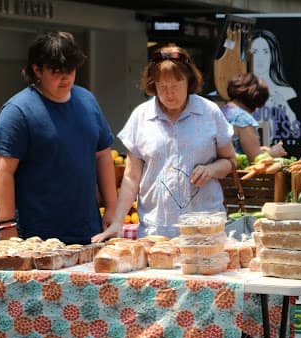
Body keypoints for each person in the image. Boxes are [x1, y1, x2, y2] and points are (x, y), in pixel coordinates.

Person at [92, 45, 235, 240]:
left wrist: (211, 170)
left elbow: (230, 161)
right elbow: (132, 177)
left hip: (205, 229)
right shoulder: (141, 116)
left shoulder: (210, 112)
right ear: (153, 85)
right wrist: (118, 221)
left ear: (189, 81)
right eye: (162, 87)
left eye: (175, 86)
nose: (169, 94)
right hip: (156, 231)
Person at [0, 31, 117, 244]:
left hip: (89, 232)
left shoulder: (87, 100)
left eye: (70, 69)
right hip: (37, 238)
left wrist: (112, 207)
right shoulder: (17, 111)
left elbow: (103, 155)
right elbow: (2, 171)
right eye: (57, 71)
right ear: (37, 69)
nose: (65, 77)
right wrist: (7, 226)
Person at [249, 29, 300, 151]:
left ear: (273, 55)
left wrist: (285, 107)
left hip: (278, 154)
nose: (260, 58)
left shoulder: (286, 92)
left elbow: (296, 130)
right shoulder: (240, 93)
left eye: (265, 52)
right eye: (255, 52)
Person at [221, 73, 286, 161]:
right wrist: (273, 153)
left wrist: (259, 149)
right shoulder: (243, 119)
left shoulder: (224, 111)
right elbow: (255, 159)